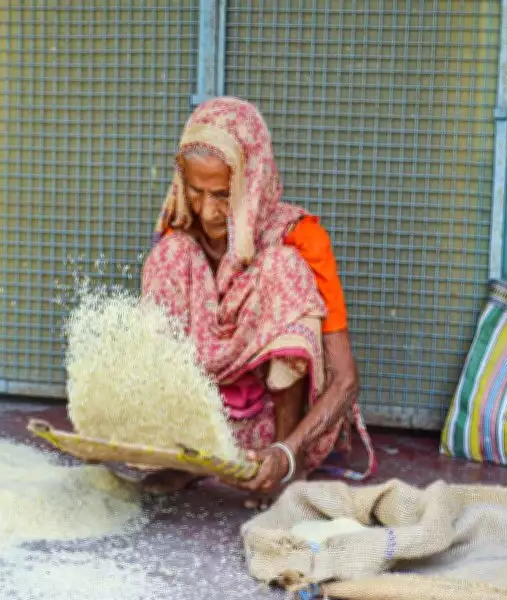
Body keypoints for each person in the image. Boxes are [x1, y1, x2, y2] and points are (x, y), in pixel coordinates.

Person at [140, 97, 376, 508]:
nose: (207, 211)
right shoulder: (180, 234)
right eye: (195, 191)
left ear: (252, 183)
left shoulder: (300, 237)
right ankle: (188, 455)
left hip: (271, 430)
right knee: (170, 253)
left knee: (282, 266)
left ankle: (281, 467)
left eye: (221, 195)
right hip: (204, 421)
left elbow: (345, 380)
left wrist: (286, 454)